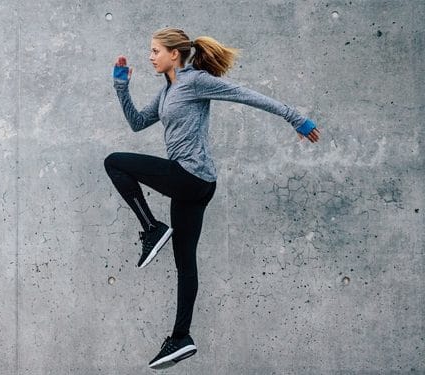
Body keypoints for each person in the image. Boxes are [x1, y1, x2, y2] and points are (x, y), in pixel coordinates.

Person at [104, 27, 321, 369]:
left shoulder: (195, 82)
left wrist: (296, 118)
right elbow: (137, 123)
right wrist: (121, 87)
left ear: (174, 54)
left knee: (114, 162)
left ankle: (152, 229)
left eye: (155, 51)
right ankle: (180, 337)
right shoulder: (167, 93)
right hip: (195, 183)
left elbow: (245, 94)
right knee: (185, 262)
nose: (150, 57)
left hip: (190, 176)